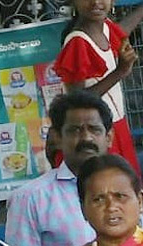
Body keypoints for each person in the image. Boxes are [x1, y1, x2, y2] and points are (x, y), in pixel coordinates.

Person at [5, 91, 112, 246]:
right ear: (58, 138)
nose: (86, 137)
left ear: (108, 138)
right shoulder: (30, 198)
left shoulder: (126, 190)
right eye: (75, 130)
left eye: (94, 129)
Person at [55, 0, 143, 175]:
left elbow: (121, 30)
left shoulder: (104, 26)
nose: (96, 2)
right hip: (93, 133)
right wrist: (120, 71)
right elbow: (76, 99)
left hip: (114, 125)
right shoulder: (78, 42)